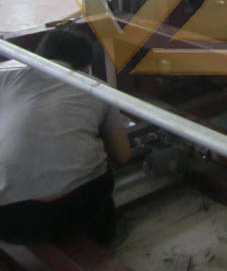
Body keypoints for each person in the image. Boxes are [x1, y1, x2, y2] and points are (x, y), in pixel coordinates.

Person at [0, 29, 131, 245]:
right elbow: (123, 155)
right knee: (101, 170)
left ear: (39, 53)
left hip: (10, 221)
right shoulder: (98, 89)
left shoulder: (5, 74)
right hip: (79, 208)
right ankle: (106, 236)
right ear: (86, 67)